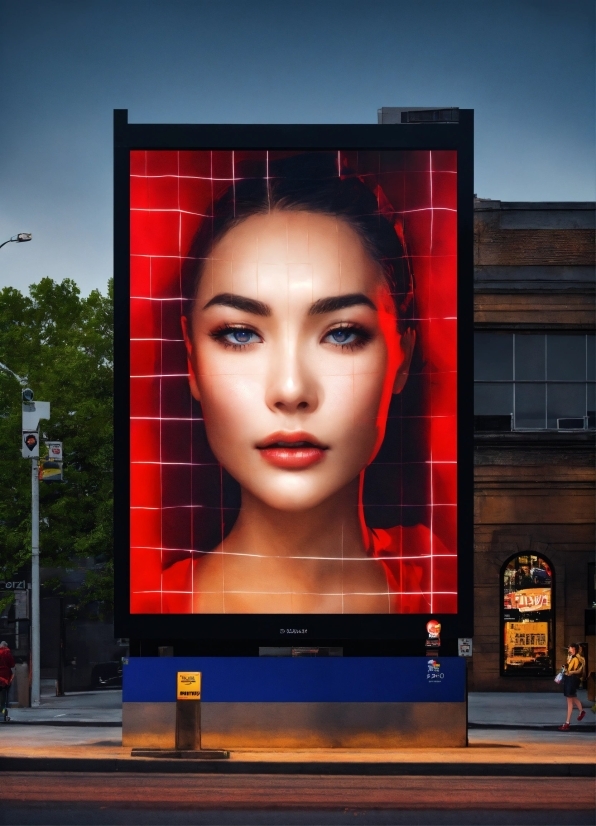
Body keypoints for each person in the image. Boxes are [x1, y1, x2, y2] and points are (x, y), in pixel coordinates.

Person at [172, 152, 450, 614]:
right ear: (191, 360)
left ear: (402, 356)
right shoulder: (154, 602)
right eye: (240, 334)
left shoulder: (444, 580)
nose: (291, 390)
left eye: (341, 333)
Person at [558, 643, 586, 730]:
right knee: (573, 698)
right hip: (570, 680)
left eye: (569, 648)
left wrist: (565, 666)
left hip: (571, 680)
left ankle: (567, 723)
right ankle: (581, 711)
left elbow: (569, 670)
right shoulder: (573, 658)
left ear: (573, 649)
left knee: (570, 701)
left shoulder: (575, 659)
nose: (568, 649)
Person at [0, 641, 15, 721]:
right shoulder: (7, 652)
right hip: (4, 677)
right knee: (4, 694)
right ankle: (2, 712)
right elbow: (12, 664)